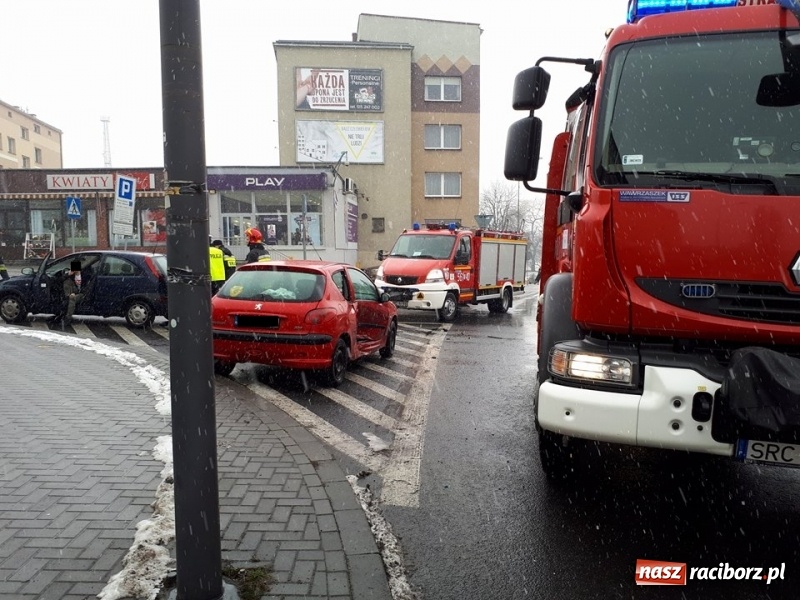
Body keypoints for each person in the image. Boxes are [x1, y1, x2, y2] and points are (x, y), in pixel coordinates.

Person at [62, 260, 95, 325]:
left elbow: (87, 287)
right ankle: (69, 295)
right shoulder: (71, 276)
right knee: (67, 282)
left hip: (82, 293)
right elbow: (60, 280)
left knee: (72, 299)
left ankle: (68, 318)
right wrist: (68, 274)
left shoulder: (85, 275)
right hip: (73, 292)